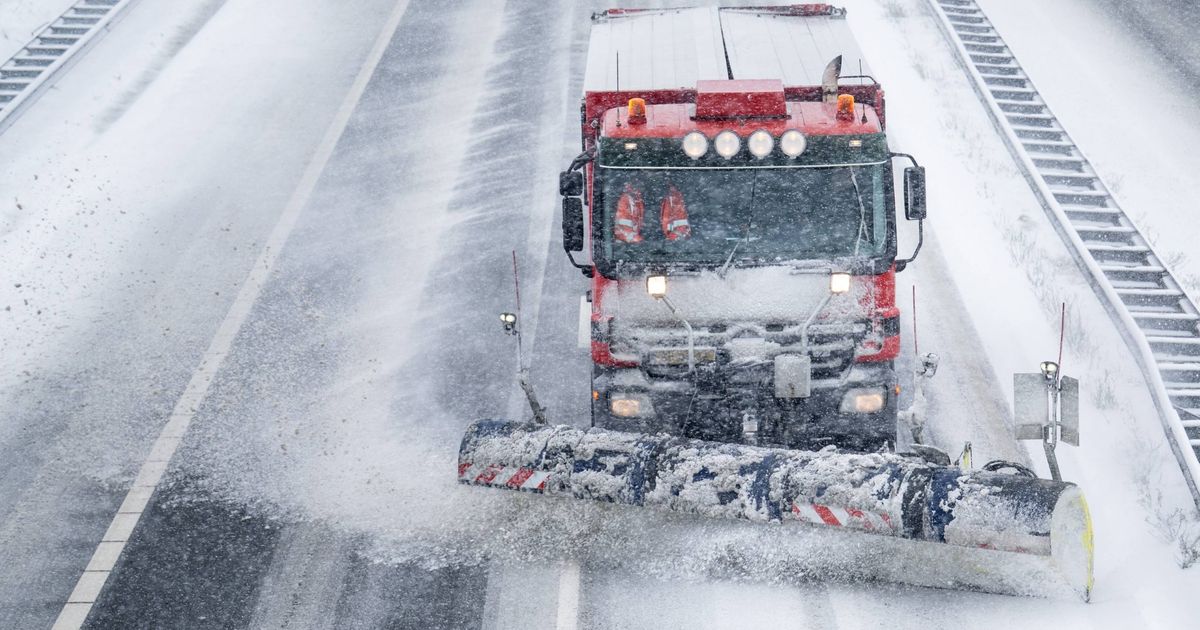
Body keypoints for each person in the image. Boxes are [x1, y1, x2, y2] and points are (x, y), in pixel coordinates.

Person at [614, 177, 690, 243]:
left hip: (671, 251)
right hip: (633, 251)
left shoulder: (674, 197)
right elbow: (622, 229)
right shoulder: (628, 197)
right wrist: (640, 243)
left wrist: (669, 243)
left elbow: (682, 228)